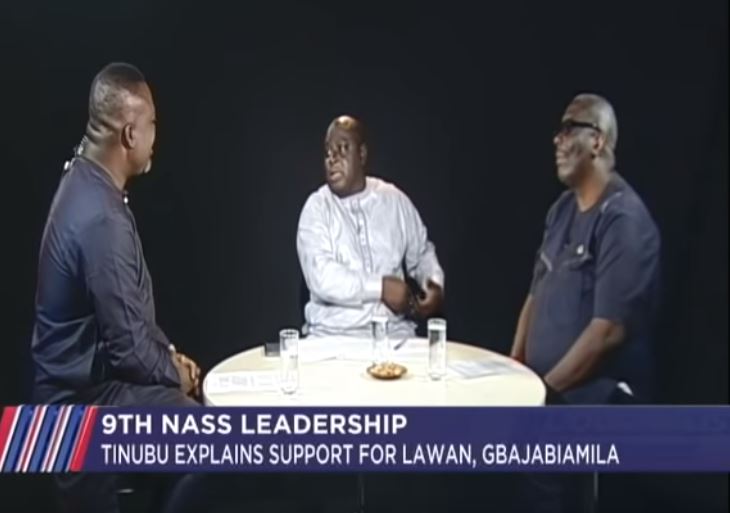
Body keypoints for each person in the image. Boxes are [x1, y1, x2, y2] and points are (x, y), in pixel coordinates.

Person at [31, 62, 200, 513]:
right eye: (152, 125)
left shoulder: (82, 179)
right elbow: (128, 350)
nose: (155, 137)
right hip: (78, 411)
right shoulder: (101, 217)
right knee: (208, 442)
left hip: (81, 392)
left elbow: (128, 322)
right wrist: (176, 374)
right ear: (129, 134)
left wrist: (166, 355)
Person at [510, 93, 661, 512]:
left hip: (596, 397)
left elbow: (606, 332)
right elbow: (535, 292)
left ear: (597, 140)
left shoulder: (622, 219)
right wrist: (515, 369)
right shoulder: (561, 211)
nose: (557, 140)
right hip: (548, 390)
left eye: (568, 129)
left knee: (538, 465)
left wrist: (542, 393)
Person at [297, 115, 445, 338]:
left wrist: (434, 284)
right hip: (332, 337)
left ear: (362, 154)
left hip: (394, 335)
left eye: (342, 148)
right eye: (328, 152)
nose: (332, 159)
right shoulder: (316, 207)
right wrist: (381, 288)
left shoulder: (393, 200)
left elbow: (422, 253)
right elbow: (322, 277)